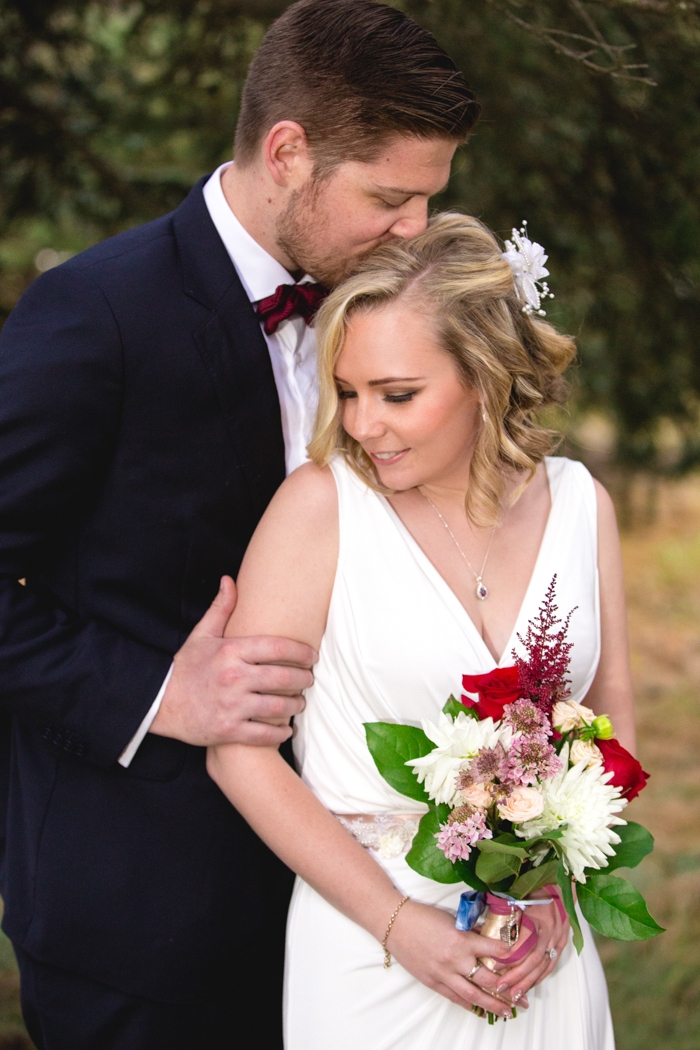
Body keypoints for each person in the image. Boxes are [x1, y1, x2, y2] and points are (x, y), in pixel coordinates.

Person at [0, 2, 482, 1047]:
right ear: (288, 151)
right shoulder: (94, 315)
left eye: (427, 201)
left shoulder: (383, 315)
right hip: (140, 919)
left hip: (351, 903)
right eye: (389, 197)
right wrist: (159, 691)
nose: (413, 230)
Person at [207, 212, 635, 1049]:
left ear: (484, 376)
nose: (364, 425)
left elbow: (607, 707)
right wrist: (398, 922)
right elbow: (239, 751)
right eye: (350, 393)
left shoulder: (582, 503)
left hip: (538, 943)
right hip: (368, 951)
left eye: (397, 395)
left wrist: (562, 891)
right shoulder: (320, 507)